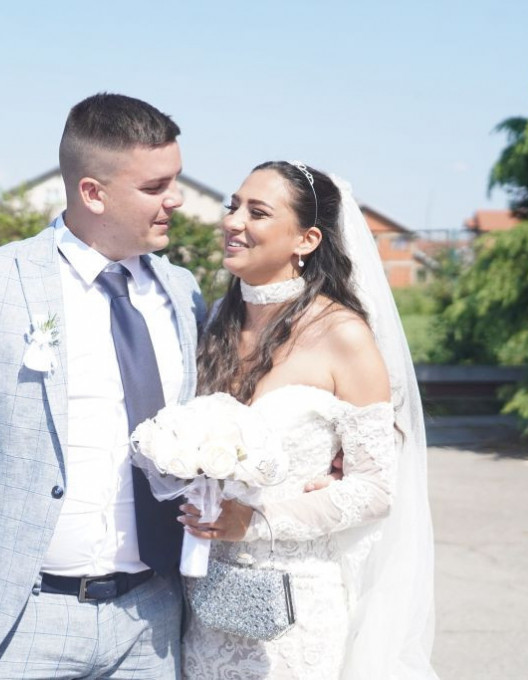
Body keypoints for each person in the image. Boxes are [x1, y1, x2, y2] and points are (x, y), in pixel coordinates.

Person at [0, 93, 207, 679]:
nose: (176, 199)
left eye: (176, 180)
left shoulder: (183, 292)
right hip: (17, 621)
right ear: (93, 193)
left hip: (153, 620)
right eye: (155, 186)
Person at [180, 161, 439, 679]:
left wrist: (256, 521)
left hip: (296, 611)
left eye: (257, 212)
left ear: (307, 239)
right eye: (233, 206)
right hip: (205, 601)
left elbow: (375, 490)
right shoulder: (213, 322)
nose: (232, 221)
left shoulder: (343, 335)